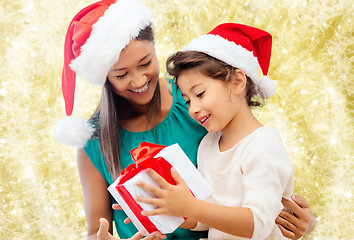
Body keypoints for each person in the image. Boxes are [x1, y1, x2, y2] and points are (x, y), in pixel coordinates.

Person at [53, 0, 315, 239]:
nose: (139, 80)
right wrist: (165, 208)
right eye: (121, 74)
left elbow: (257, 180)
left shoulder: (198, 100)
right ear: (104, 77)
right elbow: (96, 231)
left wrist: (296, 219)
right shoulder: (95, 141)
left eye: (145, 63)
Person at [134, 23, 316, 239]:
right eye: (187, 100)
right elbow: (206, 217)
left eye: (200, 94)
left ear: (238, 82)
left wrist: (190, 207)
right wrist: (166, 206)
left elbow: (258, 224)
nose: (193, 109)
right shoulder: (208, 145)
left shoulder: (263, 146)